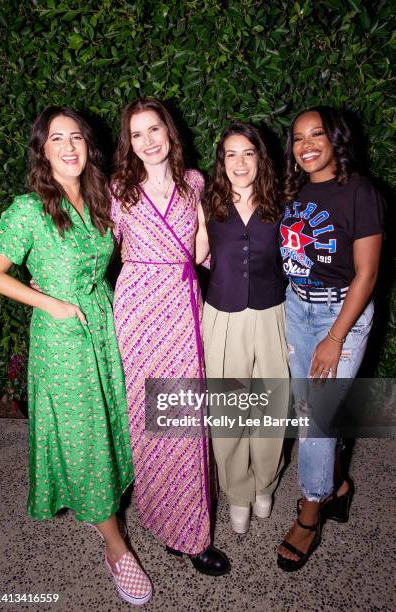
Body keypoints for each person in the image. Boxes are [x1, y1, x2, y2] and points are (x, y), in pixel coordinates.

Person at [0, 106, 152, 605]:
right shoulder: (27, 208)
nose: (69, 146)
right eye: (56, 138)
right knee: (83, 437)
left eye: (76, 136)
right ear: (42, 149)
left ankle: (118, 503)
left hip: (103, 321)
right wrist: (49, 300)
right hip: (62, 337)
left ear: (88, 145)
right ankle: (115, 545)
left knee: (111, 421)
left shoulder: (101, 197)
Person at [110, 98, 230, 575]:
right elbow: (97, 245)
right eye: (136, 134)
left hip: (180, 305)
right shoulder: (120, 189)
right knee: (149, 421)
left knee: (183, 419)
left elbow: (202, 243)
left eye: (154, 129)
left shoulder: (194, 183)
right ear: (129, 143)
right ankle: (161, 517)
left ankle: (192, 533)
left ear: (170, 132)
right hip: (138, 311)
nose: (147, 141)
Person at [277, 106, 384, 571]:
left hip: (339, 313)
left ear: (335, 138)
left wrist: (335, 337)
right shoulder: (295, 189)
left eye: (316, 134)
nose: (306, 145)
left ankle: (310, 510)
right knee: (311, 408)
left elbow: (368, 273)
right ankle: (338, 486)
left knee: (315, 420)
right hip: (296, 304)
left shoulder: (360, 192)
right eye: (298, 138)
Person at [195, 123, 289, 534]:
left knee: (271, 407)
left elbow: (305, 262)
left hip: (272, 314)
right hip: (223, 316)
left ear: (260, 158)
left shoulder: (283, 203)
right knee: (229, 411)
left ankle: (265, 483)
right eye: (231, 154)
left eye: (248, 153)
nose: (239, 162)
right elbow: (188, 254)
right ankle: (237, 492)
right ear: (222, 161)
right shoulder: (206, 203)